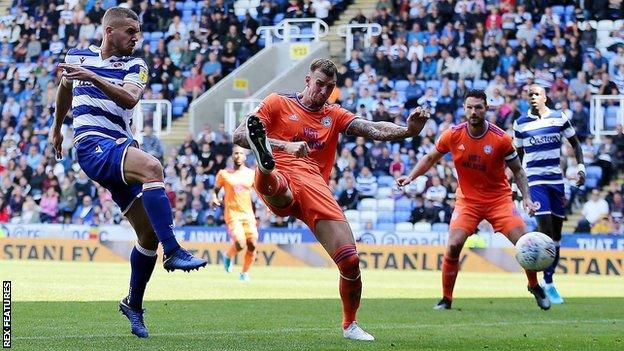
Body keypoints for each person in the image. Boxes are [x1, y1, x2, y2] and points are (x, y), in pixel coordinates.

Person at [232, 58, 430, 341]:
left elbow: (373, 129)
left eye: (329, 87)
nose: (323, 91)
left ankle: (350, 324)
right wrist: (283, 145)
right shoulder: (277, 102)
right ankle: (265, 164)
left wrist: (408, 131)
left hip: (315, 185)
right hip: (283, 169)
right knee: (280, 188)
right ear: (307, 81)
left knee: (350, 260)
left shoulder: (334, 115)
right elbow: (239, 134)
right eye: (319, 84)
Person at [52, 7, 207, 339]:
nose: (137, 38)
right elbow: (65, 87)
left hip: (120, 144)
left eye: (138, 32)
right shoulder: (76, 55)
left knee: (147, 235)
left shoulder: (136, 66)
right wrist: (56, 129)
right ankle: (175, 251)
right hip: (92, 144)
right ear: (110, 31)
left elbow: (131, 98)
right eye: (130, 32)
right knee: (153, 166)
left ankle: (132, 304)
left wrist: (93, 77)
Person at [396, 90, 550, 311]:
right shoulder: (453, 134)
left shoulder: (501, 139)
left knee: (526, 243)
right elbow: (430, 157)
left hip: (499, 201)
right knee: (453, 246)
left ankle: (534, 285)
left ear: (486, 108)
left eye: (478, 107)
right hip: (468, 201)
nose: (473, 111)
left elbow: (518, 171)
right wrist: (411, 177)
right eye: (469, 107)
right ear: (464, 109)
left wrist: (526, 197)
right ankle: (446, 299)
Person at [513, 85, 585, 304]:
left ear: (545, 97)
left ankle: (550, 281)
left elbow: (575, 143)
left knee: (556, 236)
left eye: (537, 94)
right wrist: (519, 188)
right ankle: (545, 282)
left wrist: (580, 167)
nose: (533, 98)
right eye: (530, 95)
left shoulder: (558, 118)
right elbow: (517, 157)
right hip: (535, 182)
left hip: (556, 180)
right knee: (544, 227)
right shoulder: (521, 124)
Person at [210, 145, 258, 281]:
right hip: (232, 214)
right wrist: (214, 198)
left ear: (245, 156)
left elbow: (261, 192)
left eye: (241, 153)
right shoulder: (224, 174)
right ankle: (228, 255)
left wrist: (268, 204)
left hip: (248, 214)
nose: (238, 156)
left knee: (252, 244)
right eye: (236, 153)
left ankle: (244, 273)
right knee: (240, 243)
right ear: (232, 156)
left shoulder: (251, 174)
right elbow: (216, 190)